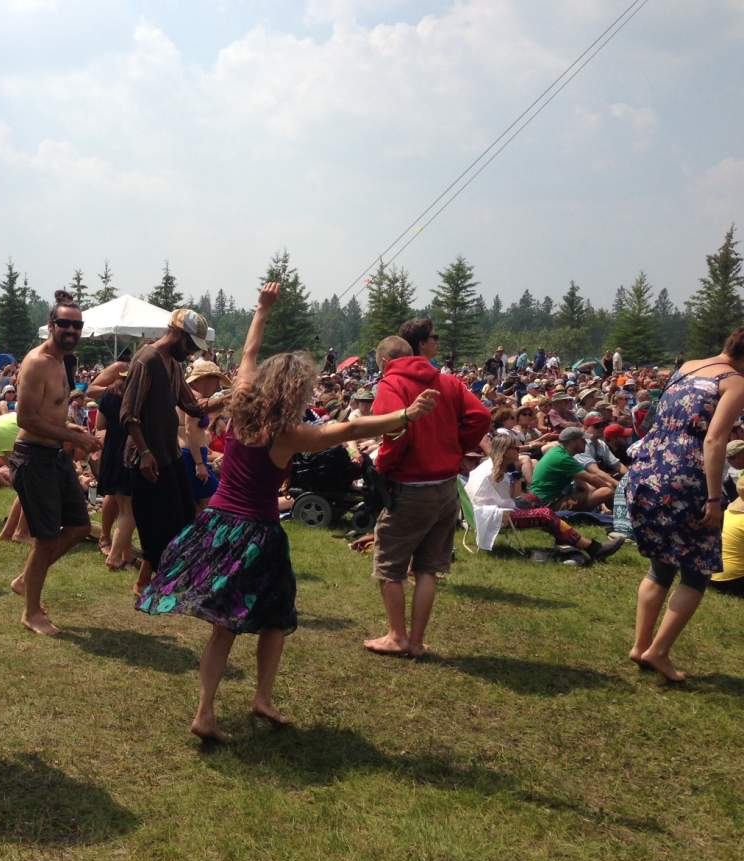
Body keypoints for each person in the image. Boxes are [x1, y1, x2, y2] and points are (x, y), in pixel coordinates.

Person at [138, 283, 439, 740]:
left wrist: (261, 308)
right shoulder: (290, 434)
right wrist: (406, 416)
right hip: (257, 534)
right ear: (296, 391)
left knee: (231, 626)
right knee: (273, 618)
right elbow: (354, 426)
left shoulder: (239, 403)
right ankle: (254, 699)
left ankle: (216, 709)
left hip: (217, 525)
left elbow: (249, 353)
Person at [625, 331, 744, 682]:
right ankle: (659, 652)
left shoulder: (688, 368)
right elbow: (714, 438)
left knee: (660, 566)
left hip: (647, 470)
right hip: (686, 478)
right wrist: (713, 498)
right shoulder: (735, 382)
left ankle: (641, 645)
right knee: (697, 569)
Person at [364, 335, 491, 658]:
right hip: (447, 485)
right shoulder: (447, 381)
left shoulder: (390, 385)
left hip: (410, 484)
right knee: (427, 568)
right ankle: (417, 641)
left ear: (383, 361)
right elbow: (481, 417)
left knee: (390, 565)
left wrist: (384, 463)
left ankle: (397, 636)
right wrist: (456, 446)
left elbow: (395, 431)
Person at [8, 292, 100, 635]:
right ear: (51, 325)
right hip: (33, 457)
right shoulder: (37, 362)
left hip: (56, 455)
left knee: (77, 527)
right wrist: (73, 437)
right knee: (46, 537)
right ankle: (31, 612)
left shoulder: (65, 360)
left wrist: (70, 429)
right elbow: (25, 418)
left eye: (77, 325)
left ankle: (26, 579)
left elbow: (51, 410)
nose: (71, 330)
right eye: (65, 324)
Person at [121, 308, 228, 598]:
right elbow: (129, 414)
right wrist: (143, 452)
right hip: (146, 459)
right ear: (178, 334)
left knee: (179, 518)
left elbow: (192, 406)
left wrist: (229, 397)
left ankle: (157, 581)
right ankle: (148, 584)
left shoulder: (173, 365)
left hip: (166, 455)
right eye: (191, 344)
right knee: (156, 525)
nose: (193, 351)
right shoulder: (147, 360)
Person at [466, 434, 623, 559]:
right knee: (545, 513)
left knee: (534, 501)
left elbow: (506, 497)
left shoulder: (493, 467)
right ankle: (593, 548)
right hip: (495, 515)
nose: (519, 450)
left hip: (494, 511)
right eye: (515, 448)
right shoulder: (491, 473)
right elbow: (489, 503)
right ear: (506, 451)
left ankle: (563, 537)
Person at [95, 369, 136, 571]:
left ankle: (126, 553)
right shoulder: (137, 396)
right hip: (130, 451)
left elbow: (100, 425)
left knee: (119, 502)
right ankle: (114, 557)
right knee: (129, 510)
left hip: (111, 450)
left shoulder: (108, 395)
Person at [180, 359, 230, 513]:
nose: (217, 385)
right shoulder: (193, 397)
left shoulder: (188, 394)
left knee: (195, 508)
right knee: (213, 504)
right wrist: (199, 464)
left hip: (191, 455)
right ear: (204, 379)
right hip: (192, 456)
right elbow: (190, 430)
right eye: (216, 380)